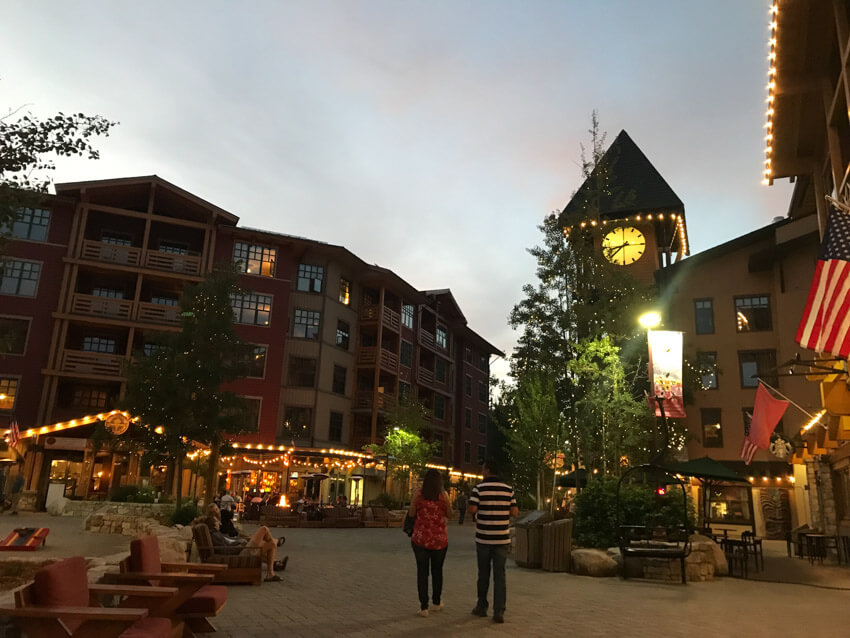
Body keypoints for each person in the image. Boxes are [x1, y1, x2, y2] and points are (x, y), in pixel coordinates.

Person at [467, 459, 518, 624]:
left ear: (488, 470)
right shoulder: (508, 489)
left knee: (483, 573)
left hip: (483, 537)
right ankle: (499, 611)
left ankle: (481, 607)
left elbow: (472, 509)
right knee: (500, 575)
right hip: (502, 538)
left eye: (483, 469)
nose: (482, 472)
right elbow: (515, 512)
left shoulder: (479, 488)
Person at [408, 468, 449, 618]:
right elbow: (450, 514)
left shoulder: (419, 495)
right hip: (439, 540)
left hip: (421, 539)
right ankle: (437, 602)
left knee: (422, 572)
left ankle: (423, 607)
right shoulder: (443, 496)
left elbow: (412, 513)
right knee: (437, 571)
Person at [201, 515, 287, 582]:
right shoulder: (215, 535)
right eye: (217, 521)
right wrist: (240, 545)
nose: (219, 523)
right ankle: (276, 543)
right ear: (213, 524)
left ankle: (271, 573)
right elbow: (224, 550)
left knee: (271, 544)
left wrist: (239, 541)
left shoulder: (216, 533)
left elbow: (228, 542)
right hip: (242, 553)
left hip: (242, 549)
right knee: (264, 529)